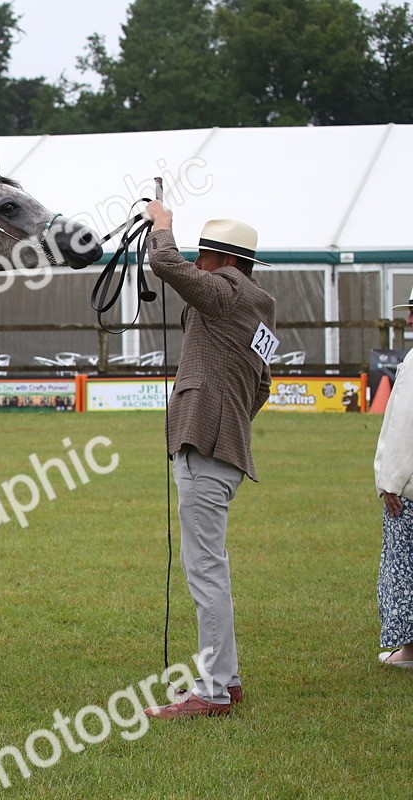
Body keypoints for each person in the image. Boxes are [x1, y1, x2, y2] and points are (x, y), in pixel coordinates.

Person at [140, 203, 277, 719]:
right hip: (228, 448)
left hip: (206, 447)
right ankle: (228, 679)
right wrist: (231, 417)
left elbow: (166, 266)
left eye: (204, 256)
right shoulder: (259, 304)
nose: (196, 265)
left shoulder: (226, 293)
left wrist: (162, 225)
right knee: (210, 567)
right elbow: (262, 386)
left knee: (205, 572)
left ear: (221, 260)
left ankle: (214, 691)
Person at [373, 289, 413, 669]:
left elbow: (404, 425)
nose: (410, 320)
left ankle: (410, 650)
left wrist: (391, 482)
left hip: (411, 490)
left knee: (403, 568)